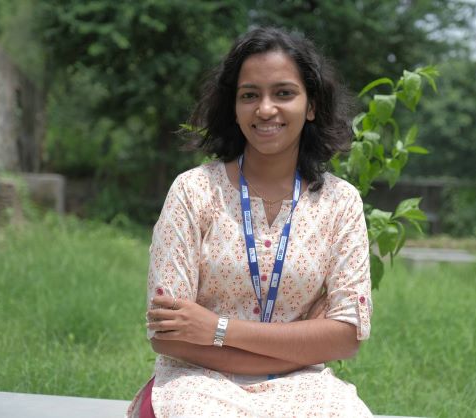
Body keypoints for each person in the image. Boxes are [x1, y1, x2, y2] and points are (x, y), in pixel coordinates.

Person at [126, 27, 374, 418]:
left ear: (311, 105)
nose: (265, 109)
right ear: (234, 107)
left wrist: (215, 327)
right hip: (197, 382)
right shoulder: (193, 192)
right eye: (249, 95)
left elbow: (345, 337)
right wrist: (303, 343)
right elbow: (167, 335)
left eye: (284, 93)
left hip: (304, 387)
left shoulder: (340, 203)